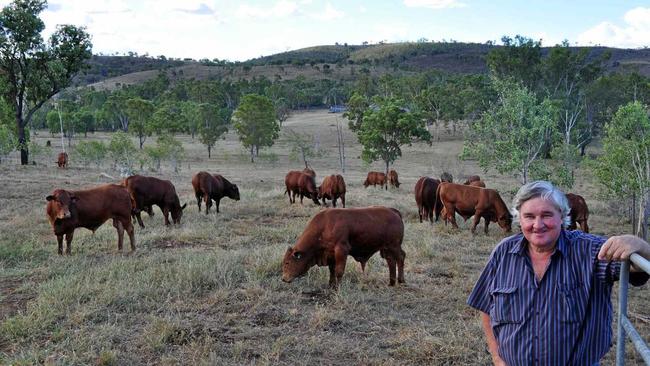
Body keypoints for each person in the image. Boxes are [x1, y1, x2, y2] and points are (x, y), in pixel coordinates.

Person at [467, 180, 650, 365]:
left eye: (546, 215)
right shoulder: (503, 253)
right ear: (518, 218)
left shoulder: (591, 251)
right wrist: (497, 357)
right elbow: (486, 306)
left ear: (562, 216)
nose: (538, 225)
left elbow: (638, 267)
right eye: (529, 216)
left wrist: (639, 246)